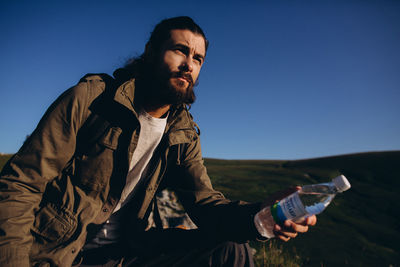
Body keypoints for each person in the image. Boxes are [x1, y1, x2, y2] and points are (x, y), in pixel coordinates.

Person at [0, 16, 316, 267]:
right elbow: (21, 185)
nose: (189, 64)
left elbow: (206, 205)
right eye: (180, 50)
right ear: (151, 51)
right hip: (59, 255)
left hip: (126, 254)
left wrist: (262, 214)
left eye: (198, 58)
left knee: (231, 251)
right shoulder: (91, 100)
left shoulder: (182, 131)